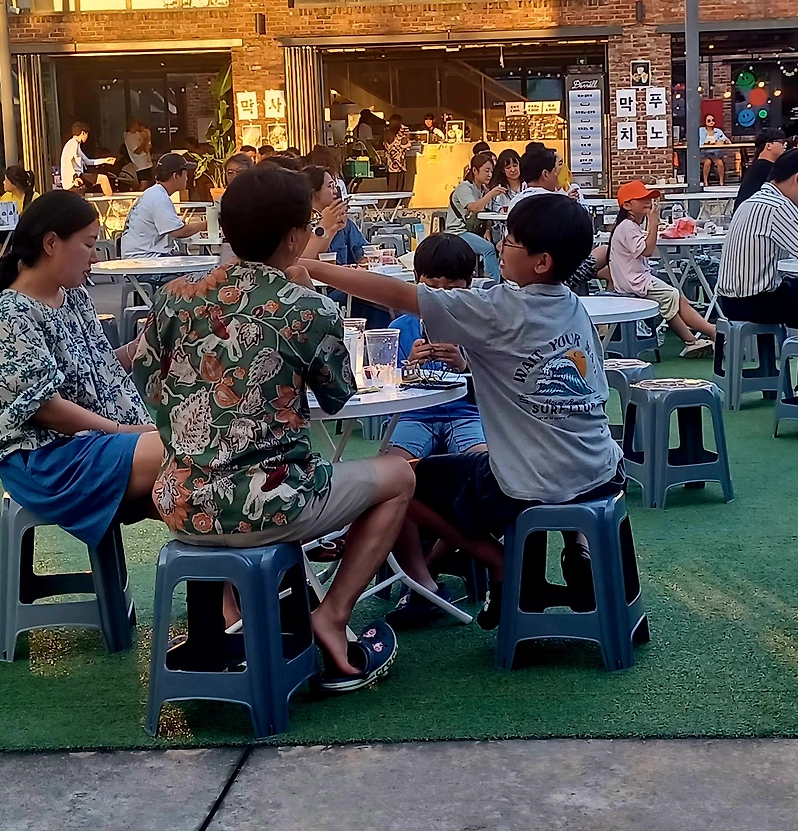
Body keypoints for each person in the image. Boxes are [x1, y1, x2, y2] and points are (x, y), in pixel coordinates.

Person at [134, 164, 425, 685]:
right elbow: (339, 397)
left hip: (180, 502)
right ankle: (332, 617)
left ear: (225, 228)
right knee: (399, 476)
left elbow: (150, 386)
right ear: (295, 237)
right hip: (272, 502)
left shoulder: (173, 297)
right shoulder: (307, 307)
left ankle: (233, 623)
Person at [302, 194, 625, 630]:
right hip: (601, 469)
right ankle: (576, 549)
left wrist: (314, 266)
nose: (500, 245)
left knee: (400, 480)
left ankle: (499, 561)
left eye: (511, 240)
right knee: (473, 467)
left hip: (530, 483)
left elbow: (398, 293)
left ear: (542, 262)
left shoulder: (500, 307)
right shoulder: (571, 305)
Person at [0, 192, 162, 547]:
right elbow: (46, 408)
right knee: (186, 449)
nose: (95, 257)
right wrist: (126, 431)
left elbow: (95, 366)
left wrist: (139, 348)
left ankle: (221, 574)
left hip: (90, 444)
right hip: (43, 461)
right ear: (52, 243)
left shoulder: (73, 297)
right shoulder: (8, 314)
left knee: (197, 490)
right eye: (89, 245)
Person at [717, 148, 798, 335]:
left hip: (730, 300)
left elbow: (785, 262)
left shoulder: (753, 201)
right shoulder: (777, 206)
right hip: (754, 301)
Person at [384, 233, 487, 464]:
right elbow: (388, 390)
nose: (440, 297)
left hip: (465, 415)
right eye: (430, 288)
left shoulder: (478, 327)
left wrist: (463, 365)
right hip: (414, 417)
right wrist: (410, 366)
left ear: (469, 283)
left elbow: (494, 390)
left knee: (483, 465)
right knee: (394, 467)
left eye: (452, 290)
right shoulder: (399, 329)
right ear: (416, 279)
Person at [610, 181, 716, 357]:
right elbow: (648, 251)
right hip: (635, 282)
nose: (647, 201)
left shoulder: (628, 226)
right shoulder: (627, 227)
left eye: (648, 198)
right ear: (627, 206)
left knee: (676, 297)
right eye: (641, 199)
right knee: (672, 296)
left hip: (633, 280)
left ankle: (698, 337)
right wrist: (653, 222)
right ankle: (700, 337)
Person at [119, 153, 208, 258]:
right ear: (175, 176)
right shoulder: (159, 198)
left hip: (143, 255)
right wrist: (208, 224)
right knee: (203, 265)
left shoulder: (155, 193)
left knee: (194, 260)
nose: (187, 178)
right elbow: (178, 232)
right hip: (145, 258)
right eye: (185, 174)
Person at [445, 151, 502, 281]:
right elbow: (474, 207)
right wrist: (491, 194)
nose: (490, 174)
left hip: (474, 230)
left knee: (499, 243)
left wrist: (487, 230)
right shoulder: (465, 187)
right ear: (475, 170)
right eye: (486, 171)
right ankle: (495, 283)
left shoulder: (482, 189)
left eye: (491, 171)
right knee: (488, 249)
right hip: (458, 232)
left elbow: (486, 212)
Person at [734, 128, 786, 209]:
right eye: (781, 142)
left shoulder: (755, 167)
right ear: (769, 146)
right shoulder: (768, 169)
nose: (784, 145)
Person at [60, 122, 114, 195]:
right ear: (83, 133)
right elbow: (68, 163)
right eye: (87, 134)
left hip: (78, 177)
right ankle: (112, 201)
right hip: (74, 180)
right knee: (103, 179)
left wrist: (105, 160)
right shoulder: (73, 144)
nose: (87, 137)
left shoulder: (76, 145)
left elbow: (88, 161)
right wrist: (75, 177)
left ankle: (110, 200)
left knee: (101, 180)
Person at [384, 115, 413, 194]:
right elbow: (407, 144)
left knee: (391, 189)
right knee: (399, 189)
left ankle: (391, 202)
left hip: (390, 165)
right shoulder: (401, 134)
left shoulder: (387, 133)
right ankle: (397, 202)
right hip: (400, 165)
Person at [700, 113, 732, 186]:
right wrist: (708, 143)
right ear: (705, 122)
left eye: (713, 120)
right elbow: (700, 143)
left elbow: (724, 138)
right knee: (707, 162)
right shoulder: (701, 131)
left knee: (720, 163)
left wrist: (726, 141)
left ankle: (721, 182)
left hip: (714, 153)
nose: (711, 122)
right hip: (703, 153)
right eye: (709, 120)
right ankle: (705, 181)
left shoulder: (718, 131)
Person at [123, 119, 153, 189]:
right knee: (143, 183)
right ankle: (139, 195)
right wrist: (146, 141)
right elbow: (137, 151)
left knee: (147, 183)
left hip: (146, 162)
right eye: (137, 124)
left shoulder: (137, 134)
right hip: (140, 164)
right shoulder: (129, 137)